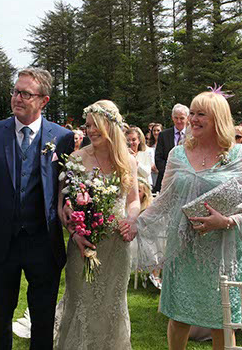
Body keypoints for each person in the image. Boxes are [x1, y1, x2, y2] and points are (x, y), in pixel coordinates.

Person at [0, 68, 74, 350]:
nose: (16, 98)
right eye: (15, 91)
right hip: (1, 242)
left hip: (44, 242)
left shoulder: (62, 137)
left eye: (25, 93)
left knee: (43, 321)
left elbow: (70, 183)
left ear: (43, 101)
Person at [137, 91, 242, 350]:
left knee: (221, 320)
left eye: (200, 114)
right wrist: (135, 223)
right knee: (178, 315)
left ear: (218, 118)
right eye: (192, 113)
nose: (192, 119)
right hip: (183, 248)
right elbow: (165, 199)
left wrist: (226, 222)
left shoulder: (238, 155)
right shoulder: (177, 154)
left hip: (220, 251)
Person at [55, 100, 140, 350]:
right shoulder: (77, 158)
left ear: (110, 126)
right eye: (87, 125)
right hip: (83, 243)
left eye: (95, 125)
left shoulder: (128, 161)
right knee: (80, 301)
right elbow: (63, 207)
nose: (90, 130)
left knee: (113, 304)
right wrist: (74, 232)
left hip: (117, 245)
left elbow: (134, 201)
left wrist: (132, 219)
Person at [154, 104, 188, 192]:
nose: (179, 121)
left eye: (182, 118)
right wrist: (170, 172)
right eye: (176, 118)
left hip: (187, 180)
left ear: (187, 118)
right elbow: (158, 158)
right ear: (172, 118)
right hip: (166, 180)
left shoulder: (192, 135)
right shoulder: (163, 135)